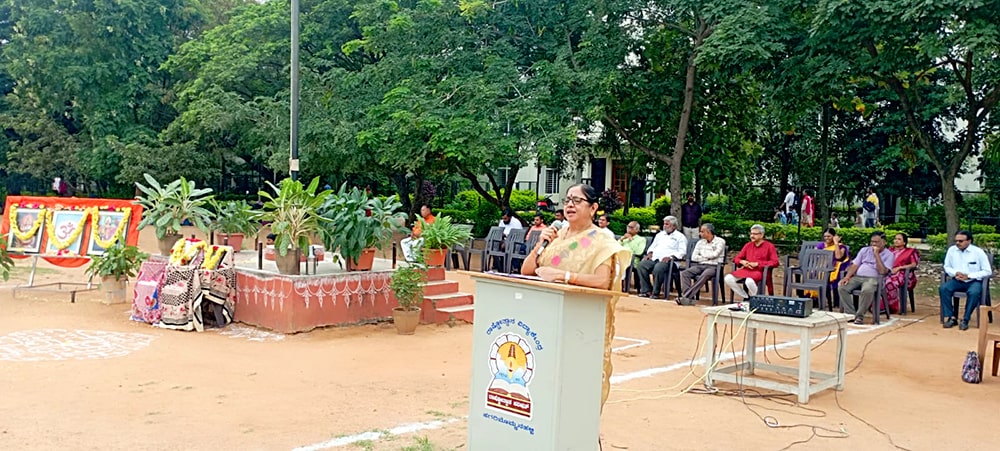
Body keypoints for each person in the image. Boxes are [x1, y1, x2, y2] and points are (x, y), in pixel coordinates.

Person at [521, 184, 631, 412]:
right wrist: (540, 244)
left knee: (574, 391)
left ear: (593, 208)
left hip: (580, 323)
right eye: (567, 199)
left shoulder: (603, 241)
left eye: (577, 200)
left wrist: (564, 276)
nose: (570, 204)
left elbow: (602, 281)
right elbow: (527, 271)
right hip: (544, 320)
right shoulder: (556, 236)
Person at [838, 231, 894, 325]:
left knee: (867, 290)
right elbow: (855, 265)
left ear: (884, 242)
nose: (874, 244)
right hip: (858, 277)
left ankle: (859, 316)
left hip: (874, 279)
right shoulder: (864, 250)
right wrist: (847, 277)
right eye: (872, 242)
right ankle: (850, 313)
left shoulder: (889, 255)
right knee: (842, 287)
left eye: (877, 242)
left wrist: (876, 255)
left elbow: (882, 271)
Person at [940, 230, 993, 330]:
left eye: (961, 241)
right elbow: (947, 266)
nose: (957, 243)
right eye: (956, 241)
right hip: (957, 280)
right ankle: (951, 317)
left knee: (974, 292)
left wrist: (969, 276)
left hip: (974, 281)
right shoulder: (952, 250)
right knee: (944, 289)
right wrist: (955, 273)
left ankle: (965, 319)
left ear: (969, 241)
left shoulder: (978, 252)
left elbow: (987, 271)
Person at [635, 216, 688, 299]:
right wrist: (650, 253)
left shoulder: (680, 237)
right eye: (664, 224)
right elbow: (652, 246)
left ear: (674, 226)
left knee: (658, 267)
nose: (665, 226)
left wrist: (671, 257)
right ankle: (646, 290)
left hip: (670, 262)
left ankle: (655, 292)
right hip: (655, 258)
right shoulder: (660, 235)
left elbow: (682, 251)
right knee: (641, 265)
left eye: (667, 224)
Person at [724, 224, 779, 300]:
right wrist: (742, 262)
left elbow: (775, 262)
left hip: (761, 271)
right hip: (747, 270)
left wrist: (758, 264)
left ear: (762, 235)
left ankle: (755, 298)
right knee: (728, 278)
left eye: (755, 234)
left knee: (749, 281)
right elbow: (737, 258)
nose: (752, 236)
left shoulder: (769, 246)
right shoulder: (748, 245)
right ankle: (746, 296)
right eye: (751, 233)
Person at [677, 223, 726, 306]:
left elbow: (714, 255)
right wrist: (707, 257)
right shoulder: (700, 242)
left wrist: (702, 254)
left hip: (714, 266)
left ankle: (686, 296)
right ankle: (689, 298)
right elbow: (694, 257)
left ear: (708, 232)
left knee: (705, 274)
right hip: (700, 265)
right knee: (685, 273)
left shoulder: (720, 241)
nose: (700, 233)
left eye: (702, 232)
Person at [804, 228, 851, 303]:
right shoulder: (821, 245)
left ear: (834, 236)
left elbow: (838, 257)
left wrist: (836, 243)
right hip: (820, 266)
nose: (826, 238)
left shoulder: (841, 247)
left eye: (829, 236)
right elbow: (814, 255)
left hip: (834, 268)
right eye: (825, 236)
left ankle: (831, 301)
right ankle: (813, 298)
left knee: (826, 274)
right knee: (812, 273)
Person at [885, 232, 920, 314]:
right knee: (878, 281)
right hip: (888, 272)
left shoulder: (910, 252)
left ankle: (891, 307)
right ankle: (881, 306)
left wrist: (900, 268)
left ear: (904, 242)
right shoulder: (889, 250)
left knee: (889, 282)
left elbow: (913, 264)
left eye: (899, 239)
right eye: (895, 239)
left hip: (904, 275)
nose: (896, 241)